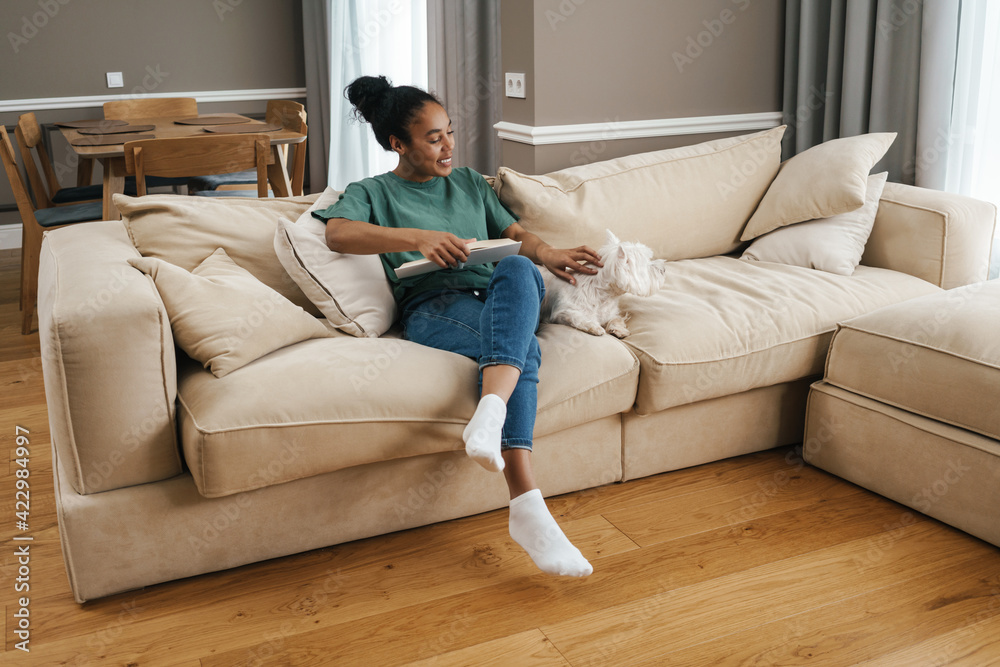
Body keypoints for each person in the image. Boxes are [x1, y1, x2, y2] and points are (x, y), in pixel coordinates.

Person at [313, 75, 601, 577]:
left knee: (518, 267)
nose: (448, 146)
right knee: (523, 354)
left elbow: (513, 235)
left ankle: (490, 416)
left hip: (497, 293)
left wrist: (549, 252)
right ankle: (527, 505)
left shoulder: (468, 181)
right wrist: (418, 237)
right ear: (397, 144)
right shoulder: (372, 192)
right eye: (433, 138)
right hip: (436, 306)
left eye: (449, 132)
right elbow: (338, 233)